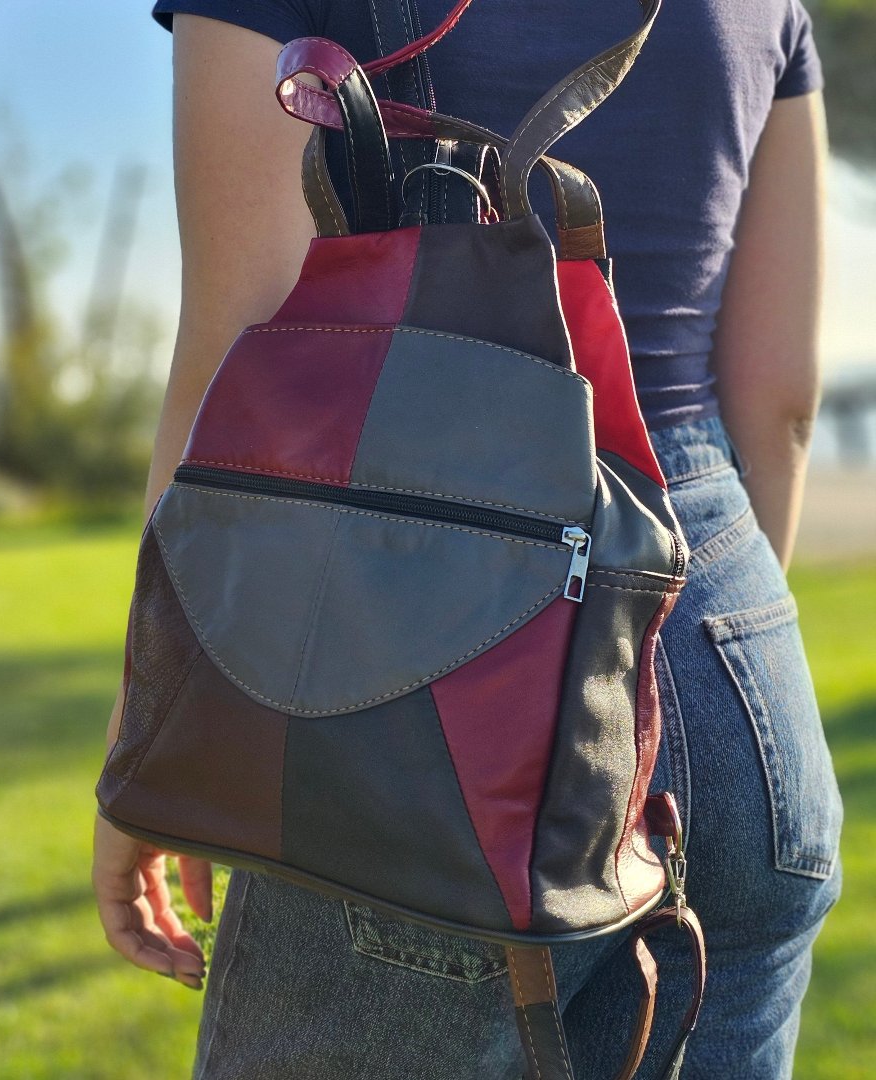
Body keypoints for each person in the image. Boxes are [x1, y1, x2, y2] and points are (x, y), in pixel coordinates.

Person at [91, 1, 845, 1076]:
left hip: (413, 661)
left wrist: (152, 719)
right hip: (736, 660)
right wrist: (659, 636)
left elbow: (245, 343)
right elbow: (779, 403)